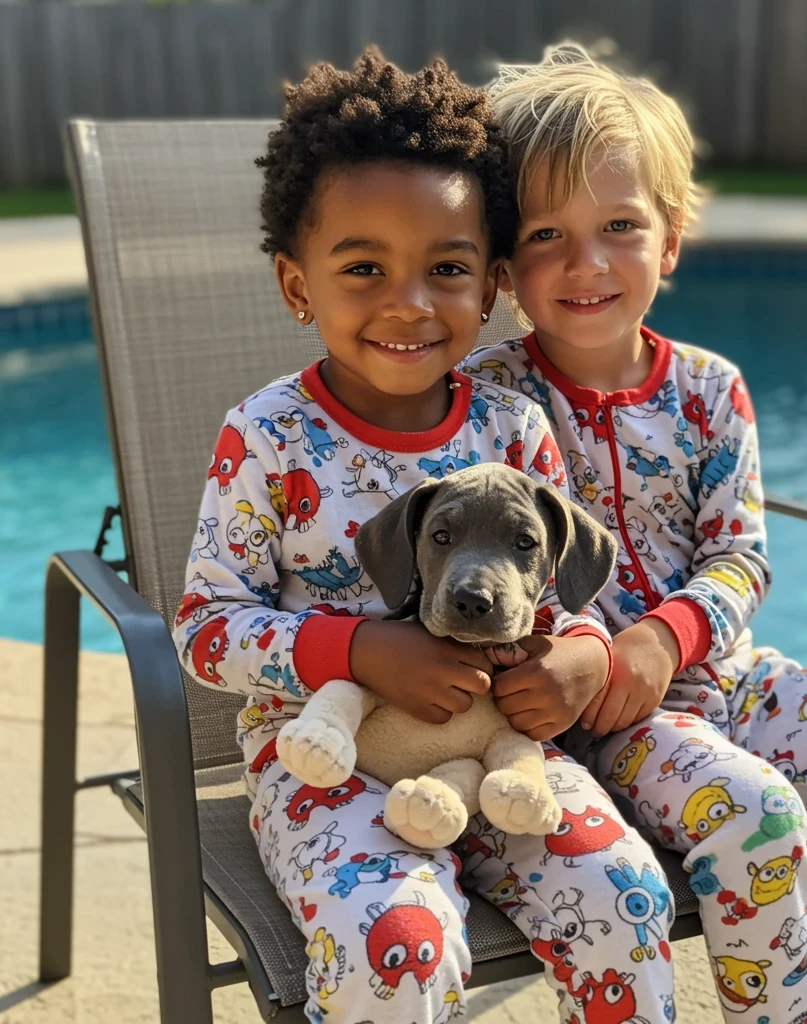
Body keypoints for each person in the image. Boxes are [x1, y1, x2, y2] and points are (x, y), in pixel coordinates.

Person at [466, 42, 807, 1024]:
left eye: (620, 226)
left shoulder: (708, 389)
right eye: (547, 234)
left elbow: (740, 554)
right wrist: (601, 657)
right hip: (609, 724)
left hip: (735, 679)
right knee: (757, 823)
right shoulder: (489, 404)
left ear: (670, 240)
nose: (588, 262)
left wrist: (668, 634)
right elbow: (495, 571)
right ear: (505, 266)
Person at [172, 48, 676, 1024]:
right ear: (297, 285)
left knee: (624, 896)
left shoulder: (513, 429)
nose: (408, 301)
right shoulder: (268, 435)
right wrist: (359, 649)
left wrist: (580, 654)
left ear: (489, 285)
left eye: (445, 269)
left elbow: (566, 591)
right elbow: (203, 626)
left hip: (500, 754)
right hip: (326, 761)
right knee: (397, 943)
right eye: (364, 268)